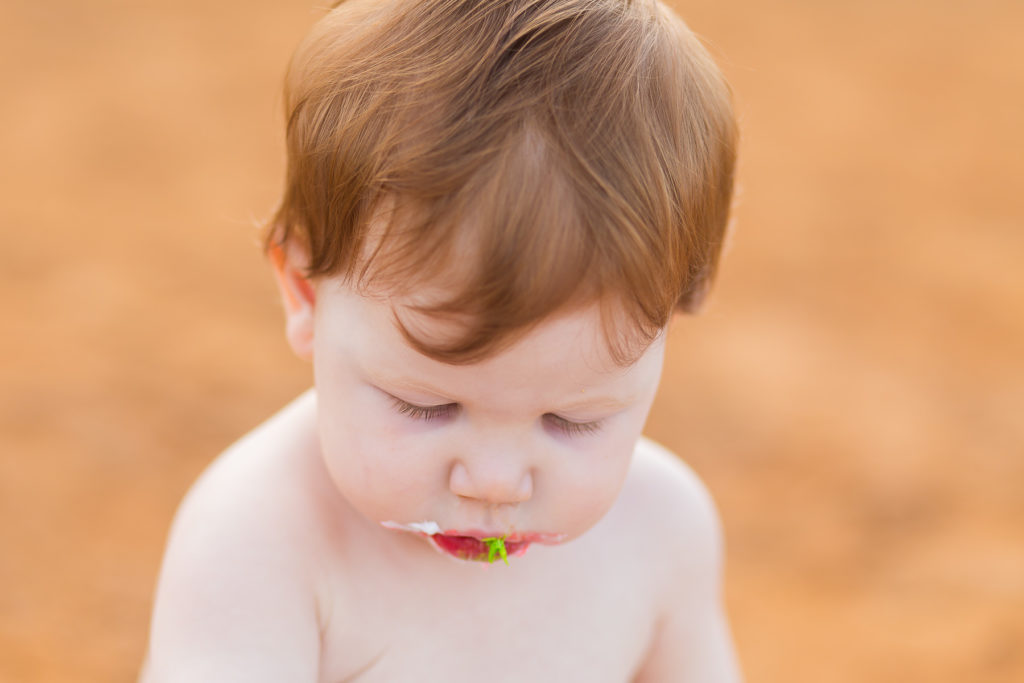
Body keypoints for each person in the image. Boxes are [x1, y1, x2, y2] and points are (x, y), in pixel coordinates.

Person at [142, 0, 741, 680]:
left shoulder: (662, 529)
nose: (494, 481)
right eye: (427, 406)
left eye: (572, 420)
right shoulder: (260, 537)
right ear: (307, 292)